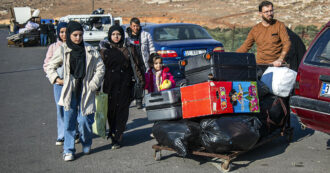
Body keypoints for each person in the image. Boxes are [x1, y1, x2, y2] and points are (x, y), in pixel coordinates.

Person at [46, 21, 105, 161]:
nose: (78, 38)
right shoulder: (63, 50)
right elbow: (50, 67)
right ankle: (68, 150)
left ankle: (86, 142)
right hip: (69, 91)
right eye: (75, 35)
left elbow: (100, 68)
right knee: (69, 122)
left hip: (86, 89)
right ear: (69, 35)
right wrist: (57, 80)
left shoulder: (90, 50)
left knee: (85, 120)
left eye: (80, 35)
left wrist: (93, 84)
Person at [101, 25, 145, 149]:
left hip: (125, 84)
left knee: (122, 110)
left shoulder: (129, 49)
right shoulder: (104, 50)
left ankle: (118, 135)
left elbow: (136, 65)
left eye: (118, 34)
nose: (116, 37)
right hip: (109, 85)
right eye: (113, 34)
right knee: (111, 111)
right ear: (110, 35)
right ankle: (113, 131)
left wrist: (141, 81)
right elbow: (99, 69)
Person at [236, 1, 291, 67]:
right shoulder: (255, 29)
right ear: (260, 13)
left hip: (276, 65)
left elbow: (287, 43)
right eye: (266, 12)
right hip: (260, 65)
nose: (269, 13)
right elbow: (245, 46)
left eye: (271, 11)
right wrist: (233, 57)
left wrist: (280, 59)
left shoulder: (279, 25)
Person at [125, 17, 155, 109]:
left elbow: (151, 48)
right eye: (134, 26)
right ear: (130, 26)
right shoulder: (126, 37)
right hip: (131, 63)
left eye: (137, 26)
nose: (135, 28)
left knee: (142, 81)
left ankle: (140, 100)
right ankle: (132, 99)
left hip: (143, 62)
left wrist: (152, 60)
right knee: (133, 82)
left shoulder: (146, 35)